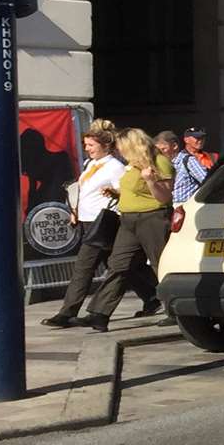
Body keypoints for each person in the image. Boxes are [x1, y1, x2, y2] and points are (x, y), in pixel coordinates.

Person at [78, 128, 175, 332]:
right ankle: (99, 314)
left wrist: (150, 180)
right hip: (128, 220)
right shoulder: (131, 164)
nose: (119, 151)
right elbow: (133, 190)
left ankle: (176, 310)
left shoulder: (159, 162)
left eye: (122, 147)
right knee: (118, 264)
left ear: (132, 145)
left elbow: (163, 197)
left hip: (152, 218)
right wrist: (117, 193)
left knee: (161, 264)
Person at [43, 120, 133, 327]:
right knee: (121, 265)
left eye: (91, 145)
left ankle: (66, 312)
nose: (87, 149)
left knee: (83, 267)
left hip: (101, 222)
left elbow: (124, 193)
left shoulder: (115, 167)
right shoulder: (90, 165)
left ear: (106, 145)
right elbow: (82, 190)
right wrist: (75, 210)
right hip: (85, 220)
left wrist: (114, 200)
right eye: (86, 145)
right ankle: (151, 296)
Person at [162, 130, 209, 205]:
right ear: (186, 140)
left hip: (183, 206)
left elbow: (208, 182)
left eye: (202, 138)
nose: (200, 141)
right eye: (197, 138)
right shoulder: (165, 163)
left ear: (175, 146)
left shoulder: (190, 160)